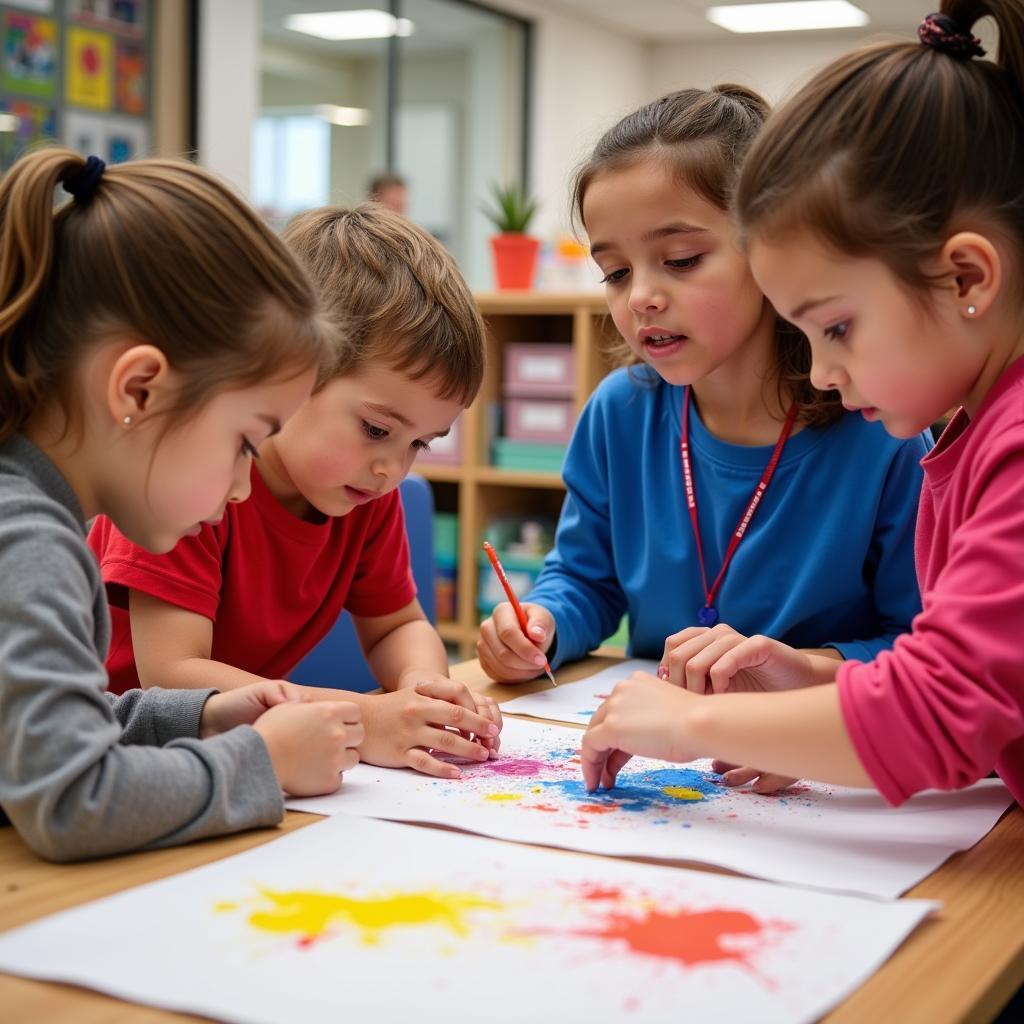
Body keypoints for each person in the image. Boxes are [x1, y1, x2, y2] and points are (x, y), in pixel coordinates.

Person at [580, 2, 1024, 820]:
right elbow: (984, 697)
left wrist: (698, 724)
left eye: (838, 328)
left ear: (966, 279)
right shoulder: (975, 433)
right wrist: (816, 681)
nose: (822, 370)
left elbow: (942, 714)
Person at [478, 87, 930, 792]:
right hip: (658, 755)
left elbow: (921, 647)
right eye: (616, 272)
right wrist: (540, 622)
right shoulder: (620, 412)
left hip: (817, 758)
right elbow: (585, 578)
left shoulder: (881, 428)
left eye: (682, 259)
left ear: (771, 250)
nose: (641, 298)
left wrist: (812, 685)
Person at [0, 149, 363, 862]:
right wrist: (262, 762)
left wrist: (196, 718)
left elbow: (29, 730)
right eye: (244, 443)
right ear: (139, 390)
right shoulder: (29, 539)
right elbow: (72, 799)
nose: (239, 489)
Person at [89, 205, 501, 781]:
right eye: (377, 429)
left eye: (420, 444)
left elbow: (396, 625)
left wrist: (426, 691)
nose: (392, 468)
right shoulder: (193, 485)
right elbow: (173, 674)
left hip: (235, 757)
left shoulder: (367, 492)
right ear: (291, 375)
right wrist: (370, 718)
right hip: (121, 760)